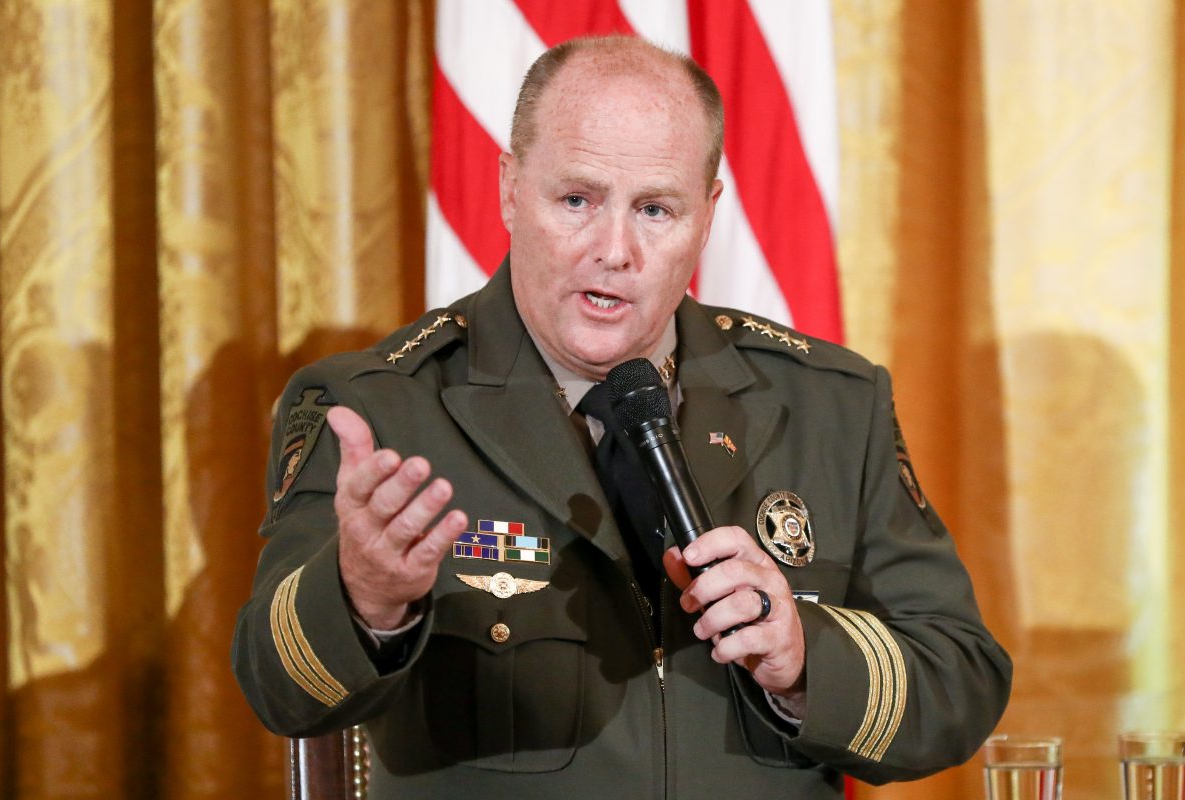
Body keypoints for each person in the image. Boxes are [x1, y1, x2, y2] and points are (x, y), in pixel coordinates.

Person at [232, 35, 1011, 798]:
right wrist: (361, 595)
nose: (615, 250)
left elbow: (961, 680)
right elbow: (278, 691)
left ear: (707, 216)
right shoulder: (376, 409)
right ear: (508, 188)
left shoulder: (831, 405)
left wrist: (807, 657)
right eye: (576, 200)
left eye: (655, 210)